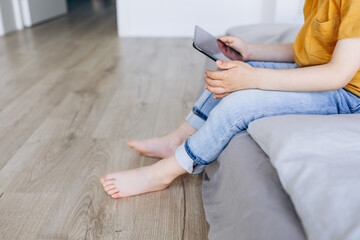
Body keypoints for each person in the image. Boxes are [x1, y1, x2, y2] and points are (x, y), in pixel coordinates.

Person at [100, 0, 360, 198]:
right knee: (232, 69)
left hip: (346, 93)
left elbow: (337, 74)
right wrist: (250, 52)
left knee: (239, 101)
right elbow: (308, 50)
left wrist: (255, 79)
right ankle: (177, 139)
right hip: (319, 73)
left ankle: (163, 174)